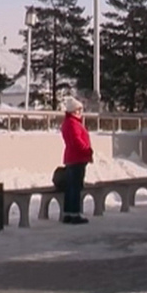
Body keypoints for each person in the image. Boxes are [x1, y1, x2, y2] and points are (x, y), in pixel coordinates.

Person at [60, 96, 92, 224]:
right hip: (77, 158)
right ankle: (74, 213)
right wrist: (87, 150)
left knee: (71, 187)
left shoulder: (68, 123)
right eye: (78, 110)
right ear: (73, 111)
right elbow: (77, 141)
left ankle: (68, 213)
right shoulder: (73, 124)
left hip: (71, 158)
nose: (80, 113)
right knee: (75, 187)